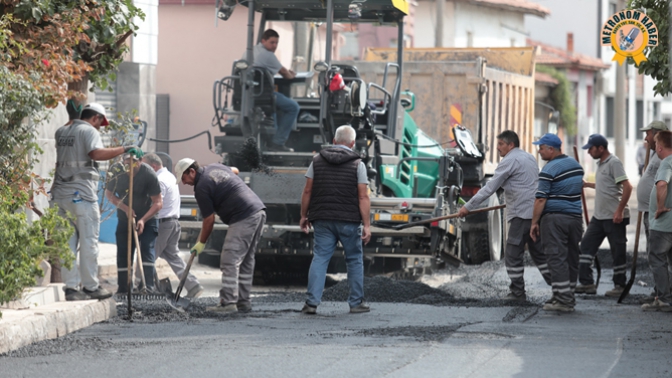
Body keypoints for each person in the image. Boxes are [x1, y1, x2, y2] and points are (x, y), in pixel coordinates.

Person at [52, 102, 142, 301]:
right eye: (100, 124)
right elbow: (95, 154)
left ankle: (71, 289)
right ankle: (91, 287)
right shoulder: (89, 131)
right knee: (88, 242)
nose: (99, 128)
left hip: (59, 196)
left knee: (66, 245)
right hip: (82, 195)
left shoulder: (61, 132)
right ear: (96, 118)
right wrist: (126, 148)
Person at [457, 130, 551, 301]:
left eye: (501, 144)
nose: (498, 148)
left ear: (511, 145)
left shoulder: (509, 161)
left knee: (513, 253)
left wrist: (468, 207)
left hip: (521, 215)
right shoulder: (529, 157)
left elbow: (490, 188)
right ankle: (560, 287)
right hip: (535, 214)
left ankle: (517, 293)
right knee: (539, 254)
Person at [175, 158, 266, 314]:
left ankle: (228, 303)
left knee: (230, 259)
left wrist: (201, 243)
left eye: (184, 178)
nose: (184, 183)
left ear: (192, 171)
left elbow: (209, 220)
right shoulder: (214, 167)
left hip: (243, 216)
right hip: (258, 211)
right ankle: (243, 302)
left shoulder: (201, 187)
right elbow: (235, 170)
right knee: (246, 260)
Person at [299, 125, 372, 315]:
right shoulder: (358, 164)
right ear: (353, 143)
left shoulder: (317, 161)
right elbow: (363, 197)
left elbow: (307, 190)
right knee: (354, 259)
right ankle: (356, 303)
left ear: (333, 141)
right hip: (349, 220)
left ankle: (311, 303)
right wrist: (367, 225)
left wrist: (303, 216)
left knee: (320, 258)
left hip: (322, 218)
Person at [530, 133, 584, 312]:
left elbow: (540, 200)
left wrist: (534, 222)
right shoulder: (576, 166)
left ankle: (564, 300)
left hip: (555, 219)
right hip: (575, 219)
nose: (539, 151)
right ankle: (565, 294)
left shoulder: (549, 169)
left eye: (541, 148)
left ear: (551, 149)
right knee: (571, 257)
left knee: (556, 257)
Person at [576, 134, 632, 297]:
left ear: (601, 148)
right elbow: (605, 185)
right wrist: (587, 184)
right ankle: (587, 283)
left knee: (618, 252)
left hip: (614, 217)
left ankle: (620, 286)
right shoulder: (601, 164)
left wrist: (619, 210)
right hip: (599, 217)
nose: (588, 153)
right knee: (586, 247)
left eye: (591, 149)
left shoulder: (613, 162)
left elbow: (627, 187)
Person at [142, 153, 204, 298]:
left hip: (163, 224)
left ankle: (142, 288)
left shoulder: (159, 180)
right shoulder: (169, 176)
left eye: (144, 167)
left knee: (147, 257)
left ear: (153, 167)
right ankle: (193, 285)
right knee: (173, 257)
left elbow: (156, 203)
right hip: (172, 223)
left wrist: (142, 218)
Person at [105, 154, 162, 294]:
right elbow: (109, 194)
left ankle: (148, 287)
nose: (130, 165)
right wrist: (125, 208)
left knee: (146, 250)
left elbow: (158, 203)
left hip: (148, 217)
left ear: (141, 161)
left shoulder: (148, 174)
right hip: (125, 218)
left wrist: (143, 220)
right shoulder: (117, 171)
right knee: (124, 252)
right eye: (127, 162)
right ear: (123, 161)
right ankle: (124, 288)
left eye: (134, 162)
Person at [636, 121, 670, 304]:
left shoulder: (664, 159)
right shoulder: (656, 157)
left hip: (659, 216)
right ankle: (662, 292)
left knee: (657, 255)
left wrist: (660, 206)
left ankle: (663, 296)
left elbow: (663, 184)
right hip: (654, 213)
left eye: (648, 135)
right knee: (660, 256)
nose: (646, 138)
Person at [250, 29, 300, 152]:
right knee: (293, 107)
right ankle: (278, 142)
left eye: (276, 43)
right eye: (272, 42)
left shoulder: (250, 51)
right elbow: (285, 73)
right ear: (263, 41)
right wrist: (292, 75)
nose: (274, 46)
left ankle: (272, 137)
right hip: (264, 95)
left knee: (276, 103)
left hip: (248, 95)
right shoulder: (268, 55)